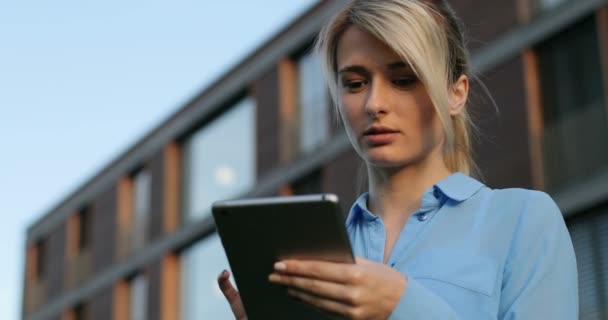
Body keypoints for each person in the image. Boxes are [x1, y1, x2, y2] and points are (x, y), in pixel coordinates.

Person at [217, 0, 579, 319]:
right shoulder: (317, 253)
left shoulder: (523, 220)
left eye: (404, 80)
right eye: (355, 83)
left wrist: (400, 304)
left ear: (456, 93)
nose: (374, 104)